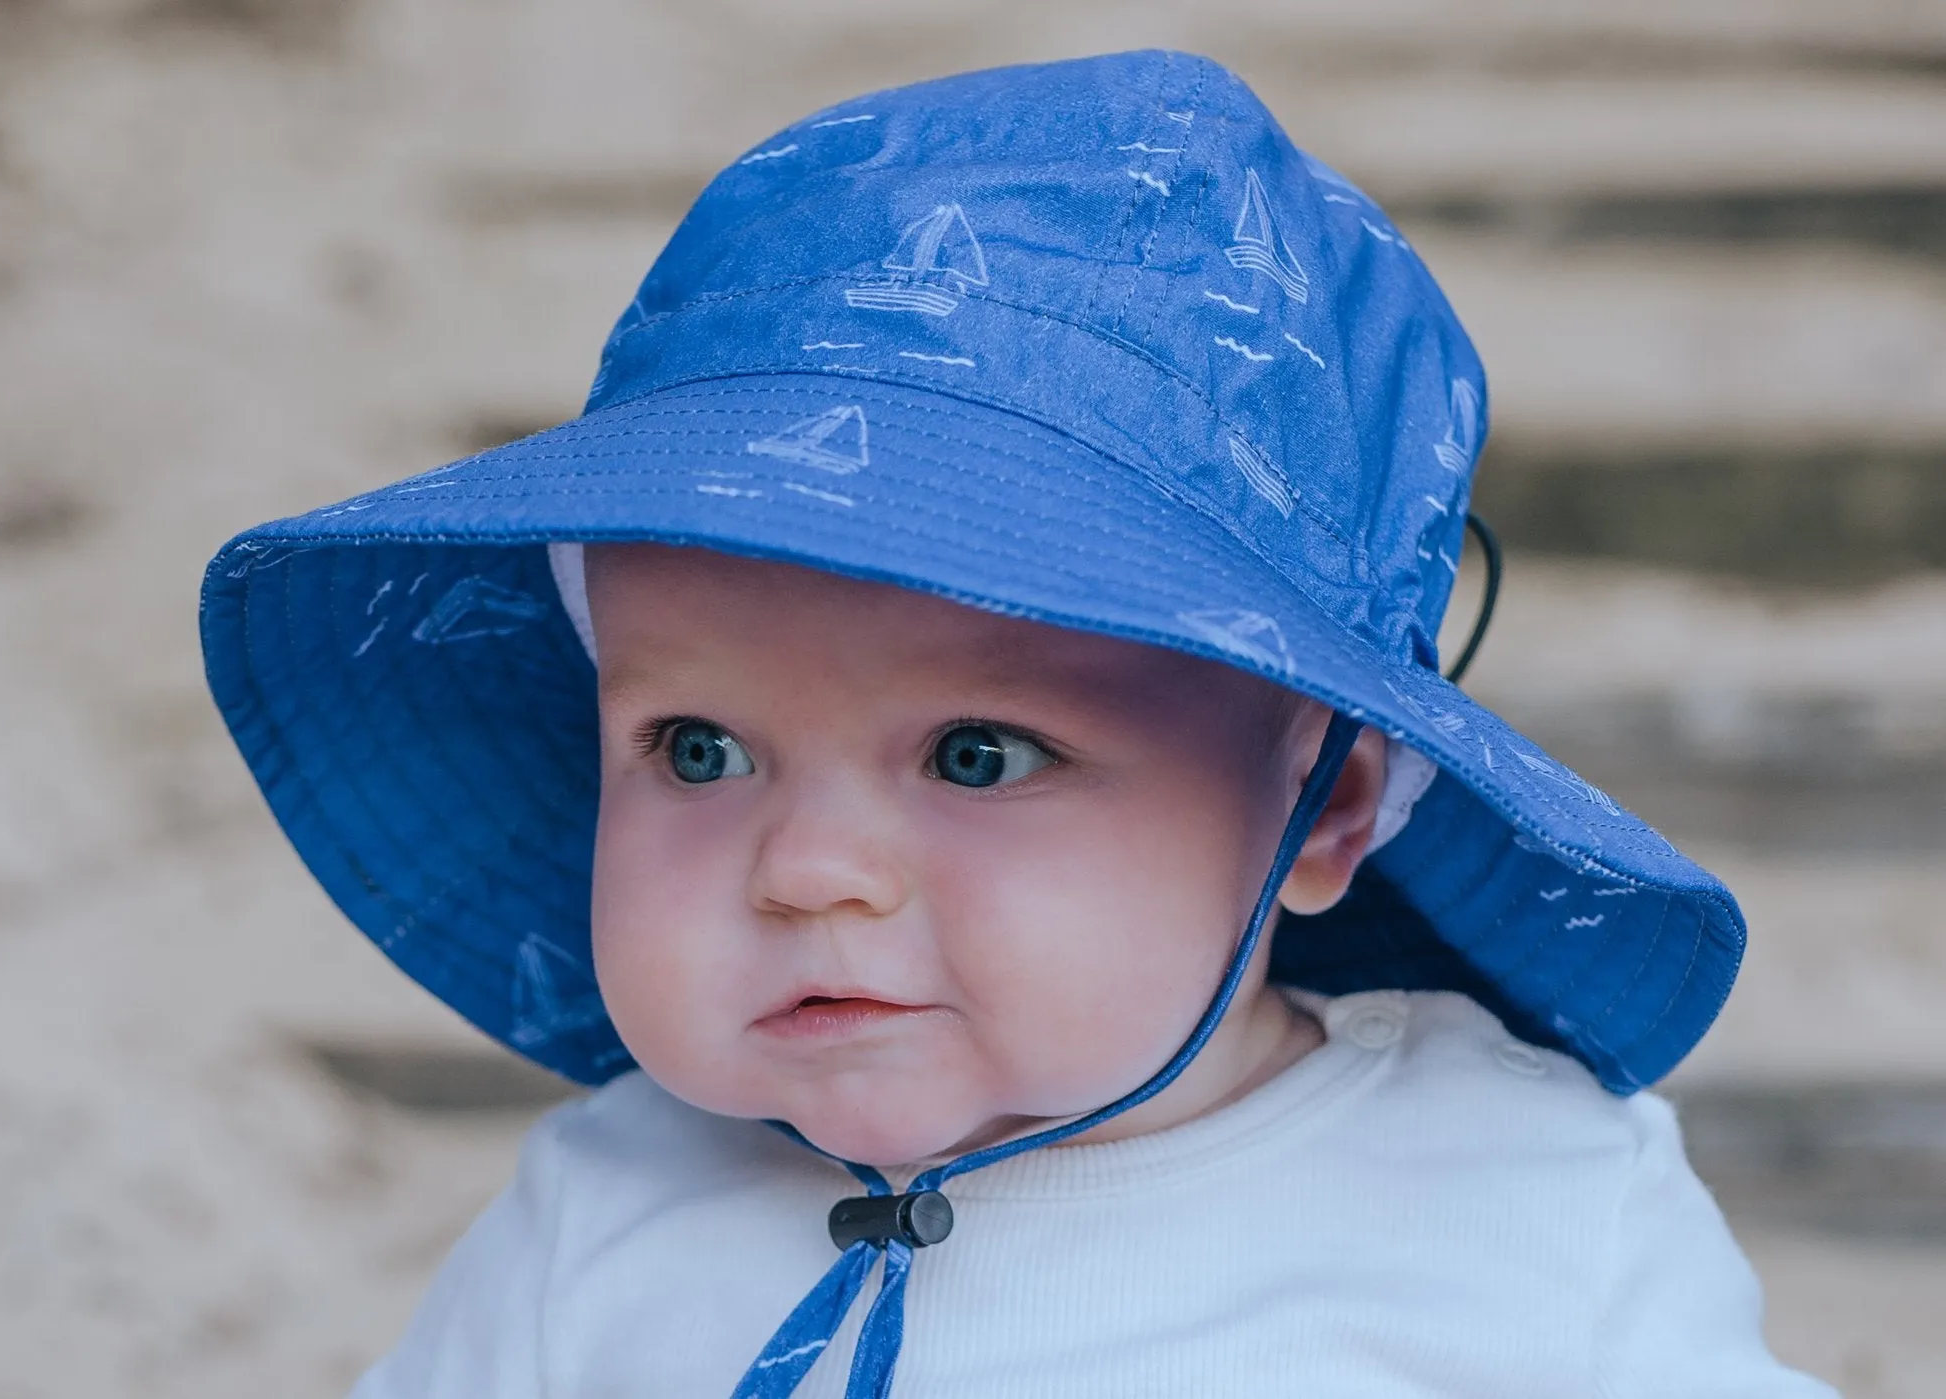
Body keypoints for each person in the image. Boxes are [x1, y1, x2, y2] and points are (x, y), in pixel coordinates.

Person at [200, 51, 1835, 1397]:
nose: (812, 870)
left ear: (1326, 802)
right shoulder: (601, 1220)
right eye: (698, 747)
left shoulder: (1523, 1210)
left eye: (978, 751)